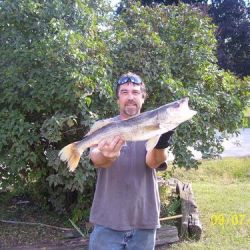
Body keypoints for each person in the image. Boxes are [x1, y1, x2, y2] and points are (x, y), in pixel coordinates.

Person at [88, 72, 174, 250]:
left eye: (135, 92)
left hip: (144, 222)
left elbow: (152, 162)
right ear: (117, 98)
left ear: (143, 97)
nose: (130, 97)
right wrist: (107, 155)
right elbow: (96, 158)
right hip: (107, 221)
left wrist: (163, 140)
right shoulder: (104, 127)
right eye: (124, 92)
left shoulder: (157, 127)